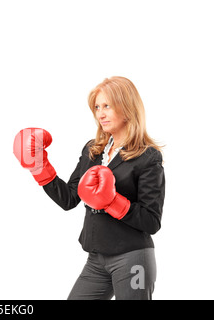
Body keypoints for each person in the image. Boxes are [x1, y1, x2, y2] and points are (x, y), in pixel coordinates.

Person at [13, 76, 165, 300]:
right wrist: (39, 168)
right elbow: (69, 199)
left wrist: (113, 201)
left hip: (133, 258)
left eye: (107, 106)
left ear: (127, 107)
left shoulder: (147, 156)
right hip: (96, 260)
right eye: (97, 107)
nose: (100, 114)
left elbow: (152, 221)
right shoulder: (93, 150)